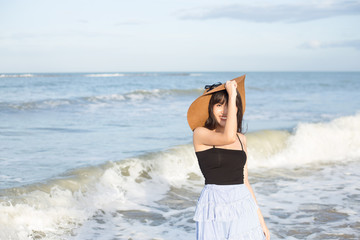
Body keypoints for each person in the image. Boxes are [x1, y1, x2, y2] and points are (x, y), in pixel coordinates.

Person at [187, 75, 270, 240]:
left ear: (236, 108)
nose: (224, 111)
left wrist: (261, 221)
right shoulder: (201, 134)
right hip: (214, 206)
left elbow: (245, 181)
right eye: (219, 105)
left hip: (243, 204)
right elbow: (227, 138)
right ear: (211, 108)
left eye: (229, 106)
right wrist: (232, 96)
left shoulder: (241, 139)